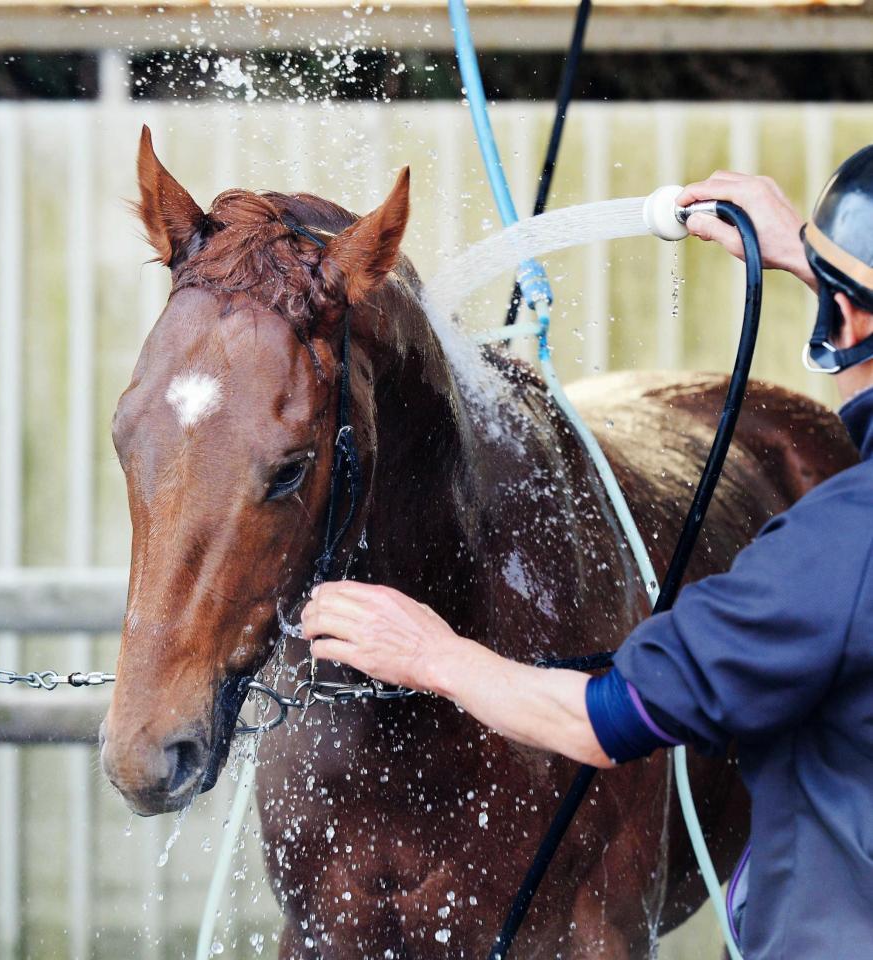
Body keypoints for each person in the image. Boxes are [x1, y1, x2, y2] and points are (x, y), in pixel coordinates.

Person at [301, 146, 873, 959]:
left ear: (848, 323)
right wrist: (825, 266)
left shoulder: (842, 543)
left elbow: (610, 720)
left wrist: (432, 656)